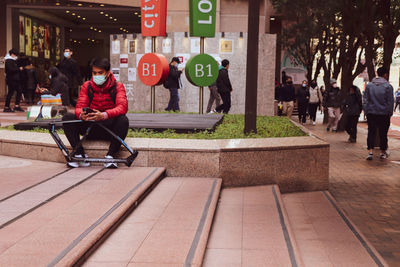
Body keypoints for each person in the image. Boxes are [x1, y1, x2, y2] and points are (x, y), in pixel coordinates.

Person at [62, 57, 129, 169]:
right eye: (94, 73)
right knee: (68, 117)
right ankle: (79, 154)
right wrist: (81, 115)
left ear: (108, 73)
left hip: (109, 129)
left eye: (100, 73)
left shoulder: (118, 86)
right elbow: (79, 107)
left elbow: (123, 107)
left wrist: (104, 115)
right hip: (90, 126)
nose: (97, 75)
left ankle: (110, 156)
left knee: (123, 120)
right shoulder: (87, 86)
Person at [363, 67, 394, 160]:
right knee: (383, 133)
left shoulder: (369, 85)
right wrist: (389, 112)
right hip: (384, 113)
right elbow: (390, 101)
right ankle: (382, 152)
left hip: (371, 113)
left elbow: (365, 100)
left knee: (371, 132)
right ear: (385, 74)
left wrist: (366, 111)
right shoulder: (388, 86)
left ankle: (370, 152)